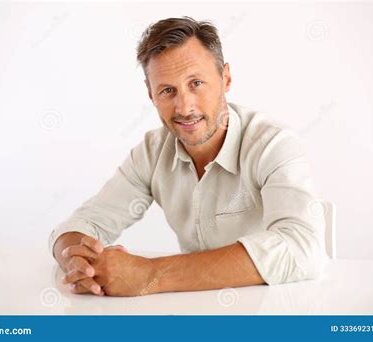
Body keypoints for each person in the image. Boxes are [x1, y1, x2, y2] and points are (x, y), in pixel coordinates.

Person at [48, 16, 328, 297]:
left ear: (226, 78)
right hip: (193, 313)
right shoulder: (152, 152)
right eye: (167, 90)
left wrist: (151, 274)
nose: (184, 107)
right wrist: (79, 263)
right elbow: (83, 225)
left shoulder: (272, 145)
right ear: (150, 94)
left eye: (196, 83)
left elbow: (303, 248)